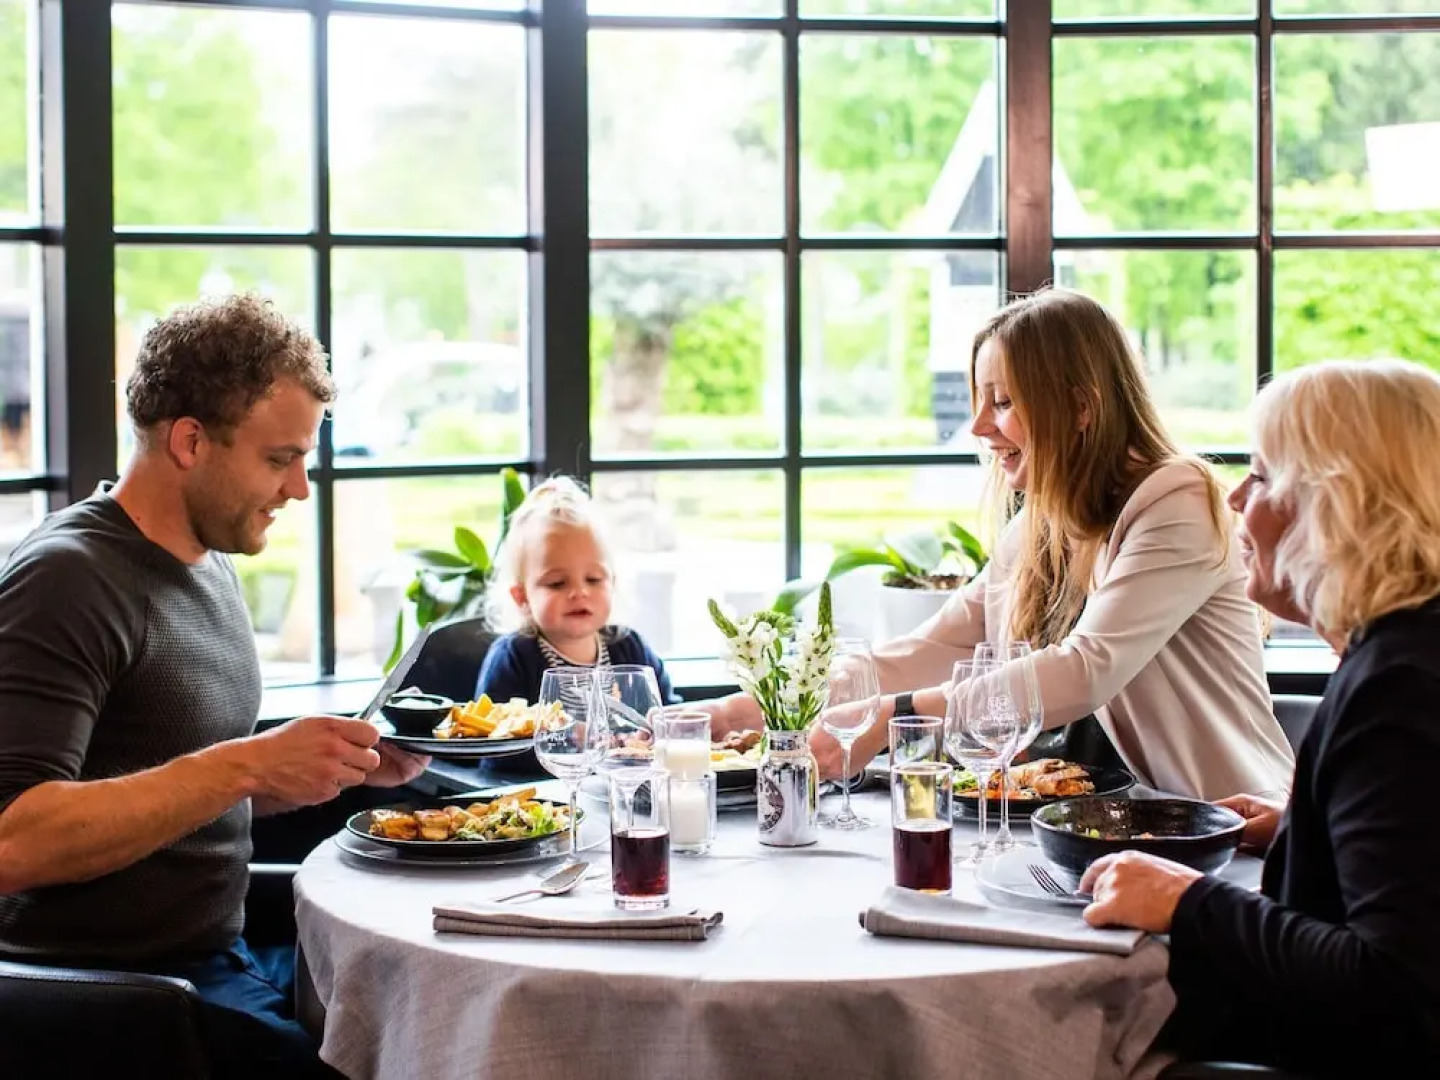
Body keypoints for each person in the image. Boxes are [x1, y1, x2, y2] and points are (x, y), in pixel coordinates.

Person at [0, 294, 429, 1078]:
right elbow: (12, 839)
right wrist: (246, 765)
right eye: (279, 458)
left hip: (217, 960)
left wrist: (316, 765)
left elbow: (162, 779)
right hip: (117, 1005)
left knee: (421, 1022)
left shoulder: (207, 556)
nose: (300, 489)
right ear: (191, 441)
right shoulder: (68, 580)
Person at [708, 288, 1293, 801]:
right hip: (1121, 833)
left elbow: (1086, 669)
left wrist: (899, 717)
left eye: (1004, 401)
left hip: (1236, 835)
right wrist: (760, 704)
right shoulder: (1040, 524)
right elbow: (930, 647)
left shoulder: (1176, 502)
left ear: (1082, 406)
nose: (980, 427)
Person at [1078, 359, 1440, 1073]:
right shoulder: (1409, 649)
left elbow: (1398, 993)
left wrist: (1188, 902)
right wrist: (1302, 827)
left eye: (1264, 475)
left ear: (1343, 505)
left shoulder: (1397, 686)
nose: (1238, 497)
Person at [476, 475, 679, 706]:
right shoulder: (513, 659)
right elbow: (495, 733)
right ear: (522, 597)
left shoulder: (631, 650)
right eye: (557, 583)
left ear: (612, 582)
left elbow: (668, 721)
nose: (579, 592)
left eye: (593, 579)